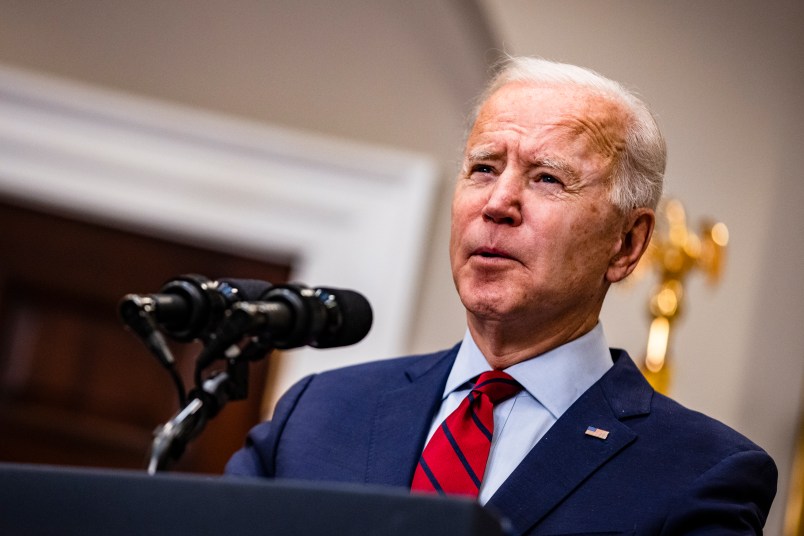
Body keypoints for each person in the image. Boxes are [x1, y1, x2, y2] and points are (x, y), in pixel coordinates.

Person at [225, 57, 777, 535]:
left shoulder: (701, 472)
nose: (498, 202)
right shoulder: (319, 412)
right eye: (483, 169)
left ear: (626, 244)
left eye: (547, 180)